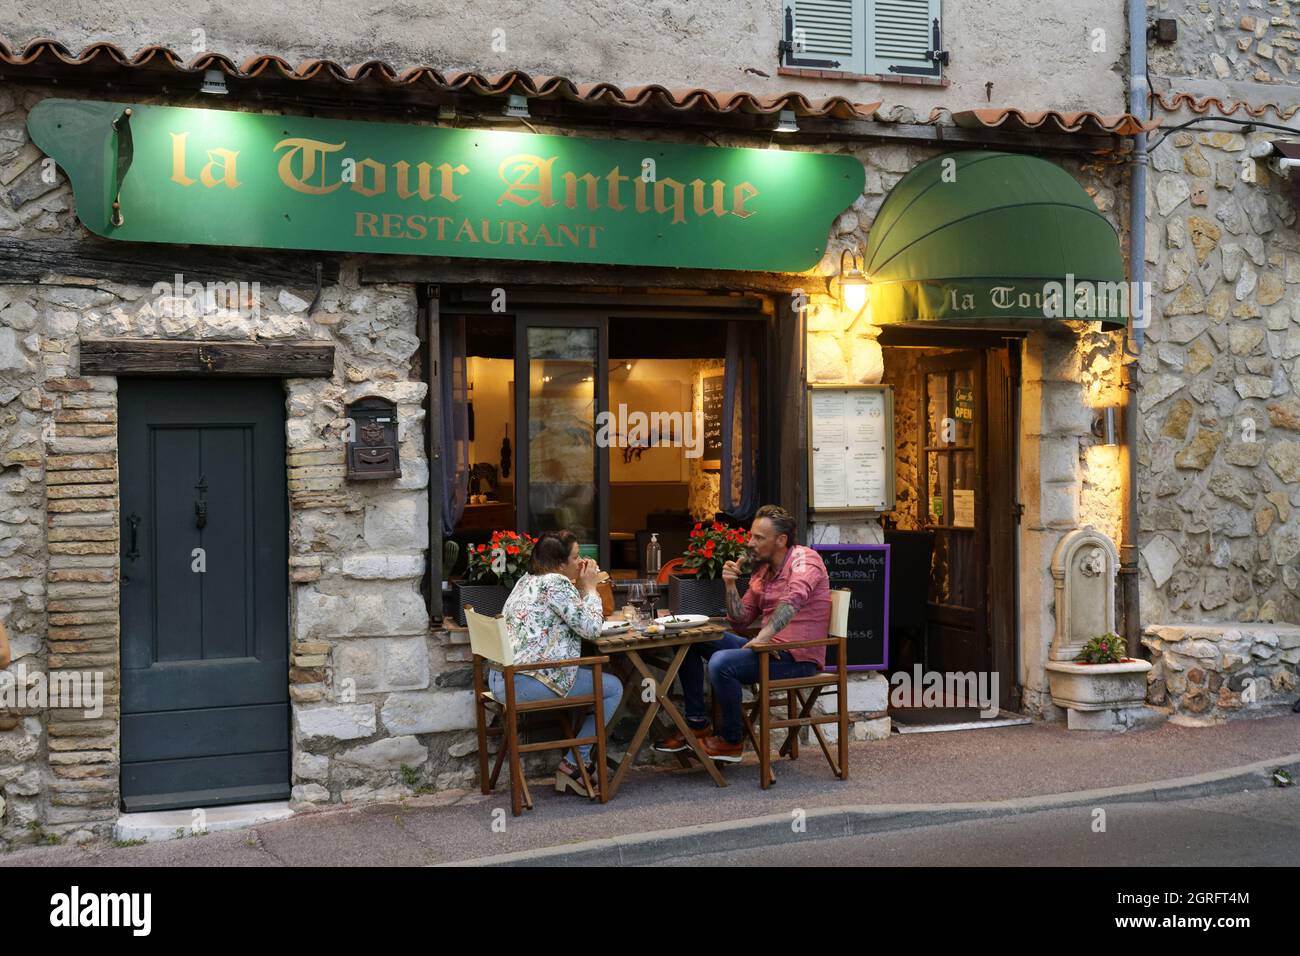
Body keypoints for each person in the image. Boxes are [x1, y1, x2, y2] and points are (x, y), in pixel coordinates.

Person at [654, 504, 831, 762]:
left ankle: (731, 740)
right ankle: (696, 723)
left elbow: (793, 600)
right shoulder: (763, 570)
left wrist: (763, 637)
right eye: (751, 536)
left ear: (781, 540)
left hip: (797, 658)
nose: (750, 543)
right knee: (692, 638)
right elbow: (740, 620)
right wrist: (729, 585)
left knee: (722, 663)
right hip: (767, 649)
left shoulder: (804, 560)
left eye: (759, 538)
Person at [490, 530, 623, 796]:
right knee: (613, 687)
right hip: (526, 682)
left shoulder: (526, 580)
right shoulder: (556, 584)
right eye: (576, 557)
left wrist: (580, 587)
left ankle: (577, 760)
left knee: (582, 676)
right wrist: (591, 588)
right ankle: (575, 763)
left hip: (500, 679)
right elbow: (592, 628)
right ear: (561, 564)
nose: (581, 562)